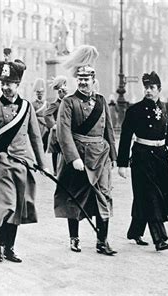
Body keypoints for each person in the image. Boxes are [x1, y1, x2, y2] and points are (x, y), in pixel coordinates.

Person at [0, 56, 47, 263]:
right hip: (2, 164)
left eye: (10, 84)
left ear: (17, 84)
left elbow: (35, 137)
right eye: (3, 83)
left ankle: (10, 247)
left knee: (20, 206)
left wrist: (41, 163)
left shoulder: (27, 107)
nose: (6, 87)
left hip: (23, 164)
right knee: (8, 206)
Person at [54, 45, 117, 255]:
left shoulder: (101, 101)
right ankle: (74, 238)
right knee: (75, 196)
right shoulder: (68, 102)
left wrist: (114, 158)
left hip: (100, 157)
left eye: (86, 78)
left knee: (104, 196)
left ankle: (102, 241)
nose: (82, 82)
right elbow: (63, 133)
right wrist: (73, 158)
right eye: (79, 78)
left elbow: (108, 129)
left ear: (93, 79)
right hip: (79, 157)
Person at [117, 71, 168, 251]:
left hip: (160, 157)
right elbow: (125, 138)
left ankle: (135, 231)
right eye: (146, 87)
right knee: (151, 196)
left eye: (152, 87)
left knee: (144, 197)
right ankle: (159, 238)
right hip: (141, 157)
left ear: (159, 89)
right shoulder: (134, 110)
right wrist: (122, 164)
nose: (148, 91)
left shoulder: (166, 109)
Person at [44, 75, 67, 175]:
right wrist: (53, 125)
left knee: (64, 150)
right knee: (55, 151)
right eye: (63, 92)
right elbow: (46, 114)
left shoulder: (66, 103)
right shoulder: (55, 104)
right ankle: (55, 170)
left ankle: (62, 169)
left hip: (65, 130)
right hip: (56, 131)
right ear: (60, 92)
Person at [31, 78, 49, 151]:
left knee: (45, 143)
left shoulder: (46, 104)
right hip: (37, 125)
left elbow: (48, 115)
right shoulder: (33, 104)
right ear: (36, 93)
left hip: (45, 126)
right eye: (38, 92)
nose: (40, 94)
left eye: (41, 92)